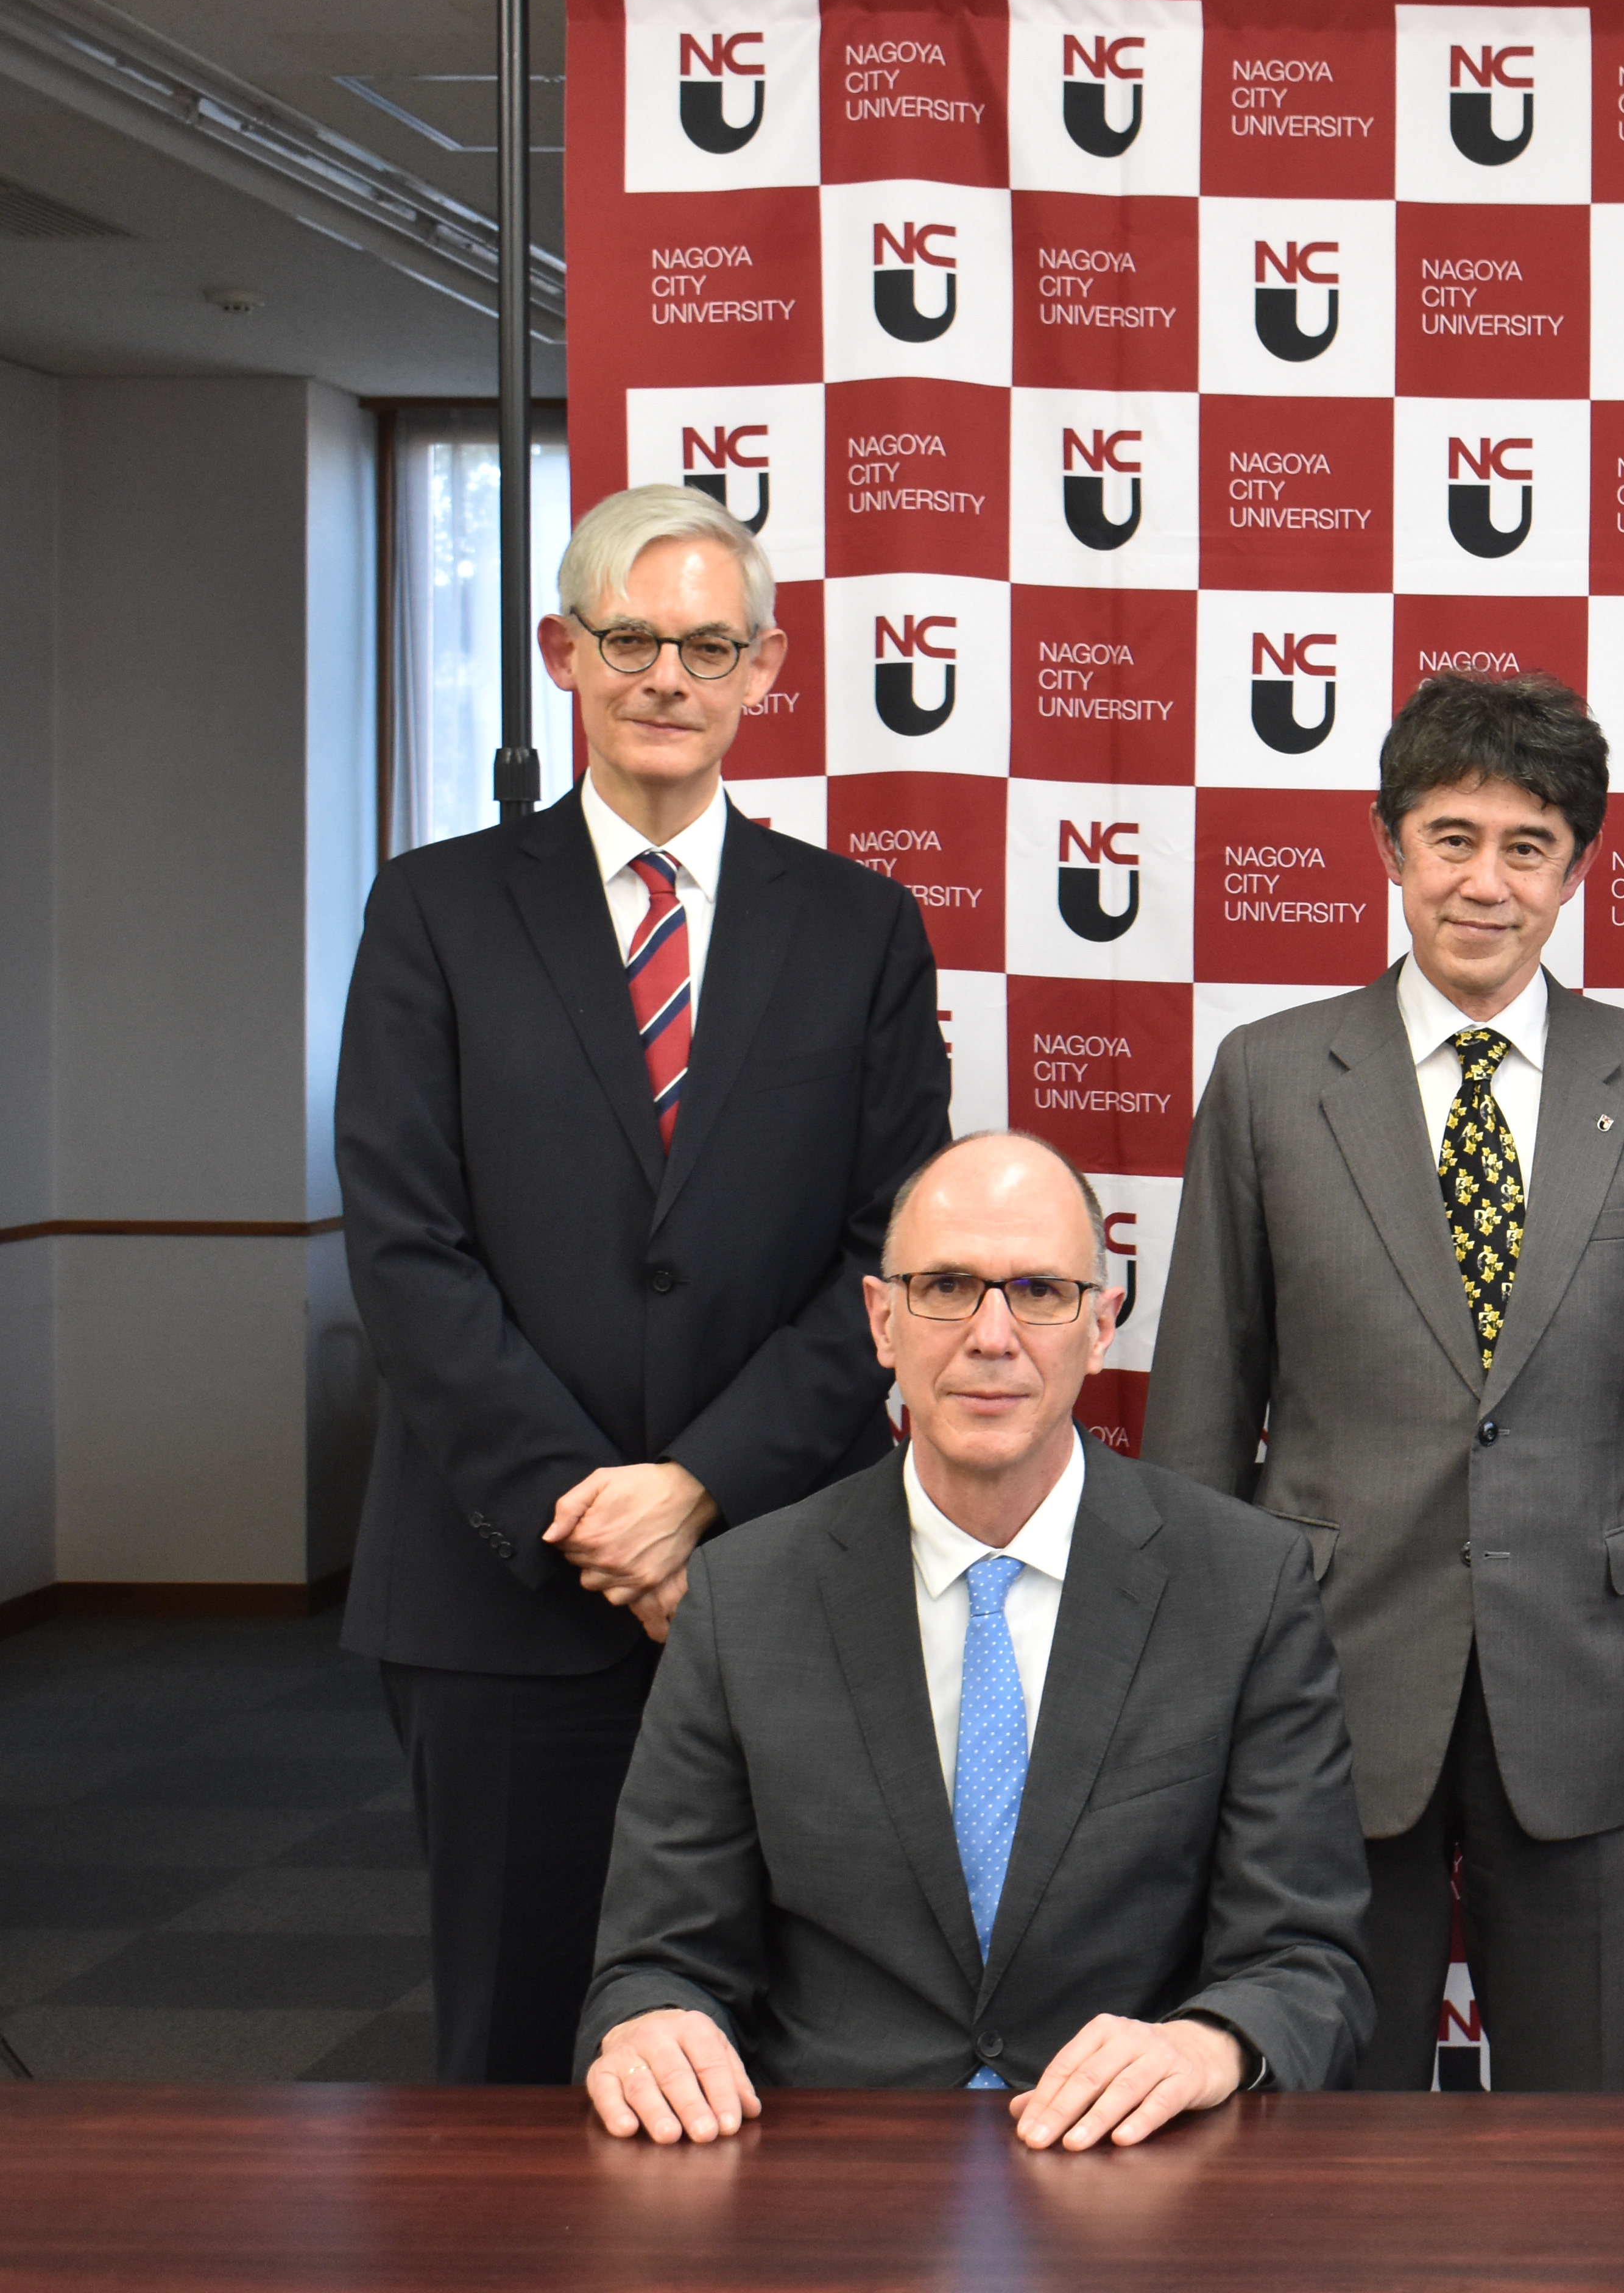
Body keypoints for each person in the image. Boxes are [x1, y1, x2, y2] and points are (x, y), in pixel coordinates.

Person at [338, 482, 949, 2084]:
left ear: (767, 671)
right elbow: (408, 1251)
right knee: (518, 2061)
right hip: (500, 1600)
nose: (666, 677)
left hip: (776, 1581)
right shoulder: (436, 911)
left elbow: (889, 1257)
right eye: (630, 640)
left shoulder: (864, 930)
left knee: (787, 2062)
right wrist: (590, 1511)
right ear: (564, 653)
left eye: (706, 645)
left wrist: (694, 1491)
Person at [1145, 671, 1624, 2093]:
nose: (1487, 881)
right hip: (1326, 1660)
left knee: (1587, 2101)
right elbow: (1201, 1393)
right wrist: (1189, 1669)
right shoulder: (1270, 1073)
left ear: (1576, 869)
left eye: (1528, 846)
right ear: (1390, 843)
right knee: (1334, 2091)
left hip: (1592, 1663)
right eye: (1453, 836)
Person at [577, 1132, 1374, 2147]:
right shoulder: (745, 1597)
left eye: (1041, 1292)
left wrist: (1208, 2044)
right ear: (881, 1322)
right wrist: (652, 2022)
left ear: (1101, 1326)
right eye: (947, 1286)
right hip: (833, 2171)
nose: (992, 1336)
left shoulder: (1246, 1585)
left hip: (1133, 2163)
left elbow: (1308, 1961)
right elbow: (656, 1955)